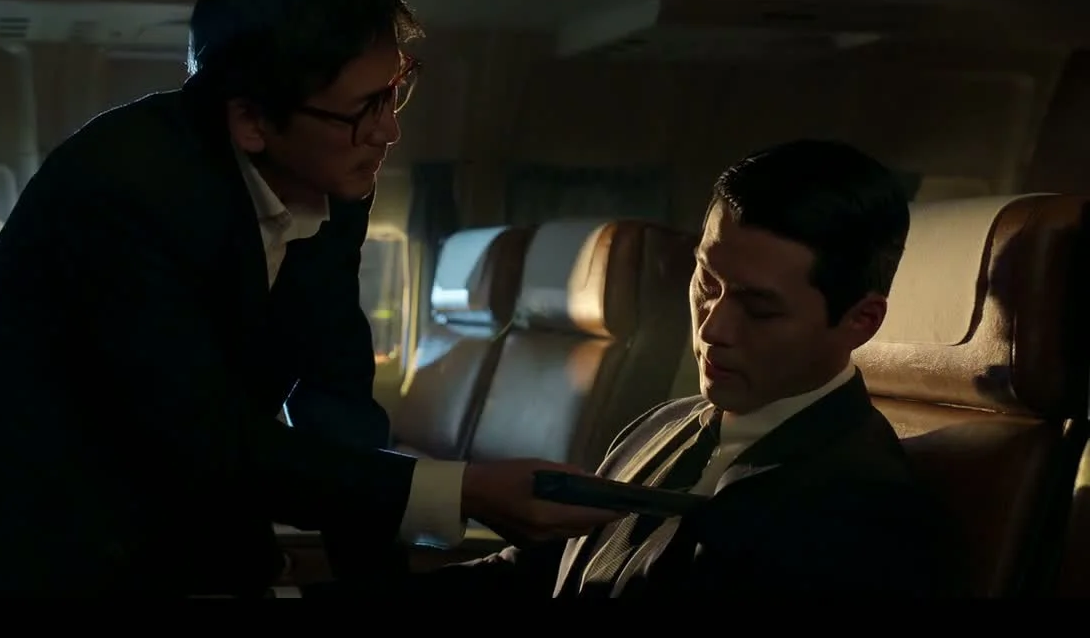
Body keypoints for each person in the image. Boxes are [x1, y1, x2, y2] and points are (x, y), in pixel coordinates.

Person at [0, 0, 619, 597]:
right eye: (364, 108)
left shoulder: (335, 174)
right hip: (6, 507)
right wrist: (463, 491)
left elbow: (335, 393)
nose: (389, 131)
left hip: (154, 482)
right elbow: (199, 437)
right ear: (252, 120)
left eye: (396, 90)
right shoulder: (123, 189)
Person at [302, 139, 964, 599]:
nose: (712, 327)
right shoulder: (667, 423)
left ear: (860, 321)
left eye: (760, 309)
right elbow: (535, 574)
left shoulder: (858, 514)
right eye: (707, 283)